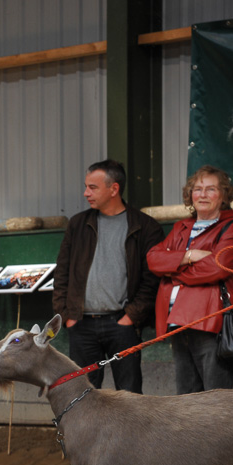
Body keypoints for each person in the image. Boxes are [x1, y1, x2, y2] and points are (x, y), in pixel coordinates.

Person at [52, 159, 165, 393]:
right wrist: (67, 315)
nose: (85, 193)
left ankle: (131, 433)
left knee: (130, 395)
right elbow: (61, 273)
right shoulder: (77, 224)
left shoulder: (145, 226)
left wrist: (131, 317)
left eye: (92, 187)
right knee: (81, 396)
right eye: (86, 186)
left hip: (122, 324)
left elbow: (152, 279)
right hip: (81, 324)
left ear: (114, 189)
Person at [147, 165, 233, 394]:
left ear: (223, 196)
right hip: (177, 324)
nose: (203, 194)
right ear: (190, 194)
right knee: (186, 401)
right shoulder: (182, 226)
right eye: (198, 189)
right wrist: (189, 256)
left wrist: (173, 269)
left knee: (214, 401)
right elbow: (152, 259)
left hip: (210, 323)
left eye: (211, 189)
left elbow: (217, 267)